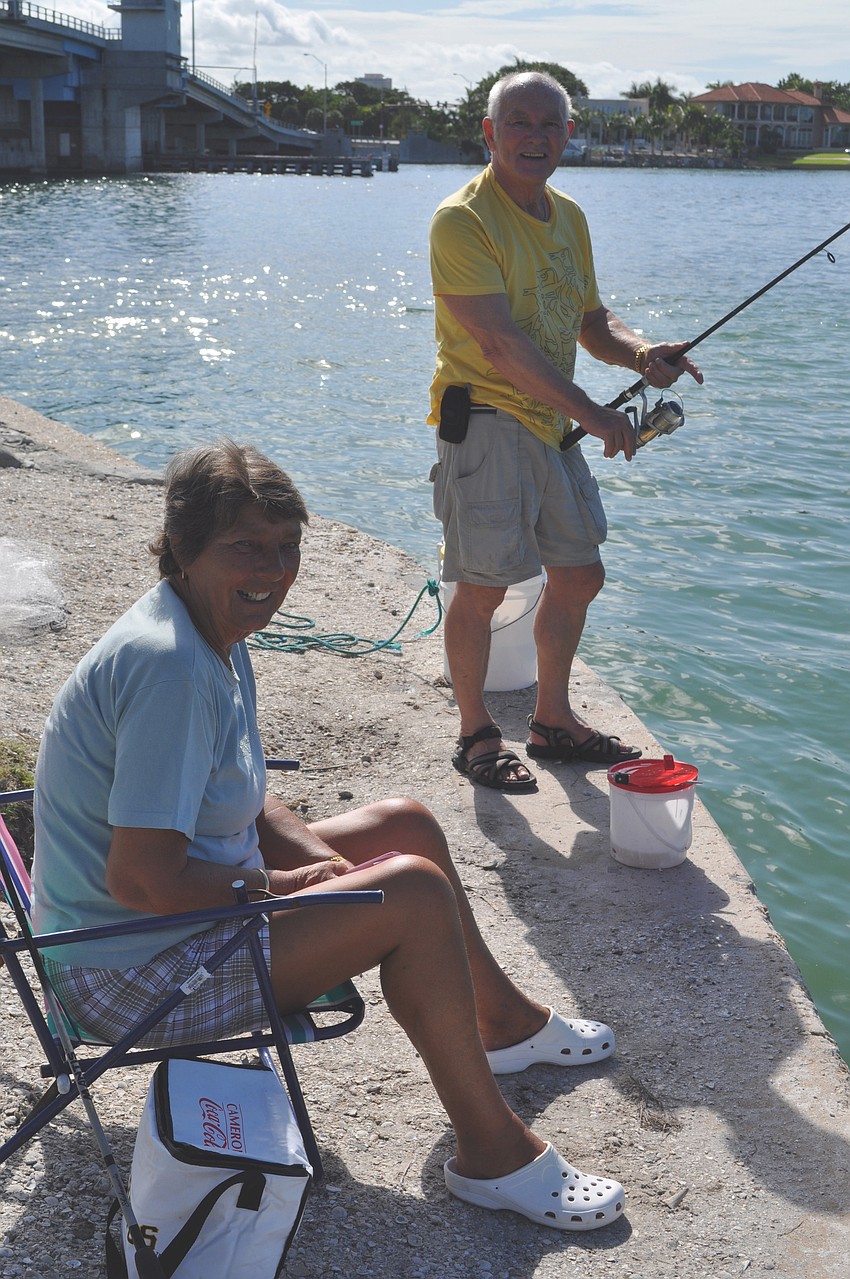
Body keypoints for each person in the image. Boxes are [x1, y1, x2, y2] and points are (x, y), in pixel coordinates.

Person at [30, 440, 624, 1232]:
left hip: (153, 928)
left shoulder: (204, 626)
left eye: (287, 546)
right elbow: (143, 879)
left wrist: (324, 865)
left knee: (405, 824)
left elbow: (240, 794)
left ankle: (504, 1025)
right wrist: (279, 887)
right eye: (246, 546)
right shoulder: (169, 668)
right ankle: (493, 1154)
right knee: (413, 894)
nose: (274, 570)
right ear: (181, 546)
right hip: (128, 971)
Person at [429, 71, 703, 791]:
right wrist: (593, 414)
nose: (535, 136)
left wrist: (641, 353)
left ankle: (551, 721)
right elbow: (499, 344)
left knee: (580, 574)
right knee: (482, 586)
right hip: (486, 419)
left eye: (550, 124)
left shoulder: (569, 216)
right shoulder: (462, 220)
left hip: (551, 421)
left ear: (568, 135)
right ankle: (475, 734)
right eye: (519, 122)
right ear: (489, 134)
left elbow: (590, 321)